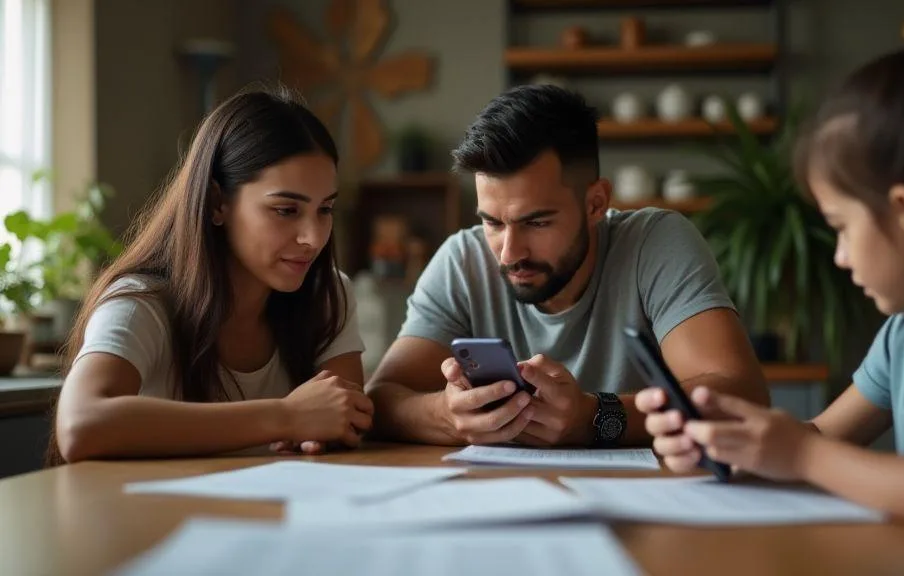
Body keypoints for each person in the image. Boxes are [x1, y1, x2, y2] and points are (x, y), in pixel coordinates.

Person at [638, 0, 904, 539]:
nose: (839, 256)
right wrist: (729, 443)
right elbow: (820, 438)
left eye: (842, 226)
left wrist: (797, 453)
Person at [366, 84, 769, 448]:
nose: (508, 253)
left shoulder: (655, 243)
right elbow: (382, 398)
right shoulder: (462, 260)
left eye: (536, 222)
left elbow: (740, 394)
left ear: (596, 203)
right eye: (492, 222)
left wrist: (595, 417)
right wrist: (448, 415)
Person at [50, 88, 372, 463]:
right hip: (153, 518)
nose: (314, 238)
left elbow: (345, 416)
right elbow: (80, 425)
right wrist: (286, 416)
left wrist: (326, 427)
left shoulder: (328, 294)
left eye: (325, 209)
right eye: (286, 210)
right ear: (218, 202)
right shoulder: (142, 303)